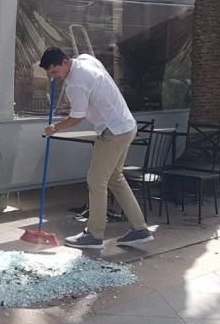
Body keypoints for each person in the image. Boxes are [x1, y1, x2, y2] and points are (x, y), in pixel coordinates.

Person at [39, 47, 153, 249]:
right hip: (126, 125)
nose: (55, 78)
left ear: (65, 62)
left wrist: (54, 128)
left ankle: (94, 234)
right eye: (51, 74)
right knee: (115, 178)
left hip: (113, 131)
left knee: (96, 180)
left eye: (55, 72)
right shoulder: (85, 59)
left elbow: (77, 116)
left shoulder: (76, 84)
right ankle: (140, 229)